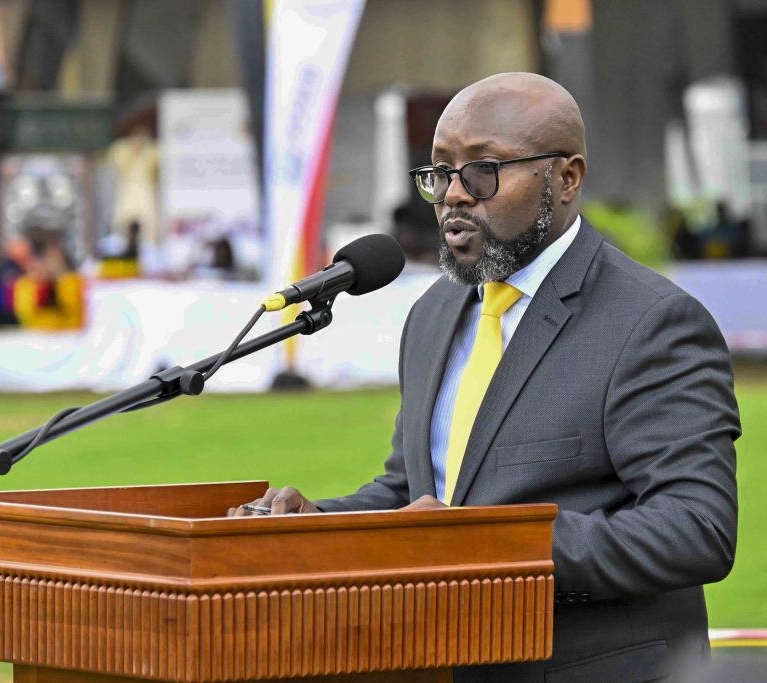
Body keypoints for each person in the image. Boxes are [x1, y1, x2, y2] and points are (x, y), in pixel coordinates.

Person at [232, 73, 740, 682]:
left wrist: (479, 545)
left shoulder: (651, 322)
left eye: (483, 171)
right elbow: (417, 489)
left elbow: (695, 527)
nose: (453, 194)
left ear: (566, 178)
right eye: (440, 172)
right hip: (442, 662)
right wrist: (322, 524)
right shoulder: (434, 314)